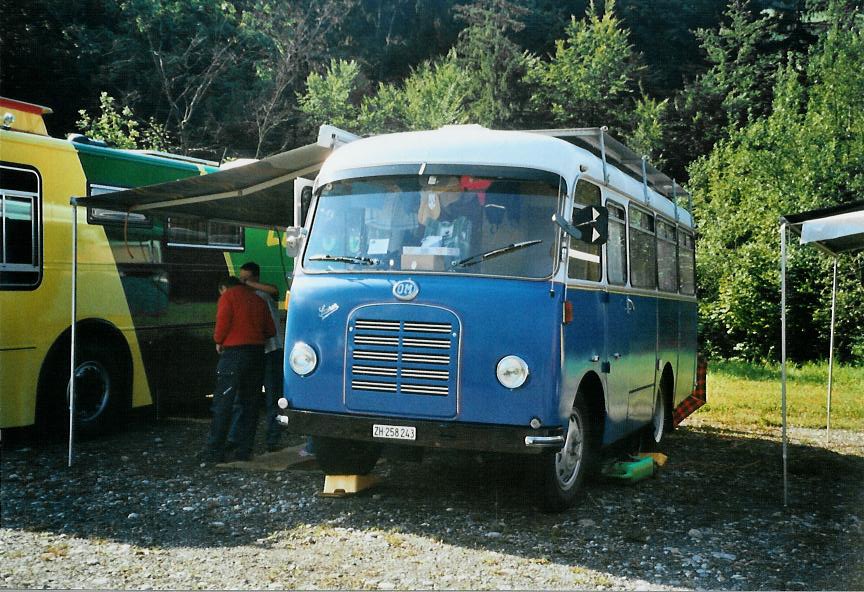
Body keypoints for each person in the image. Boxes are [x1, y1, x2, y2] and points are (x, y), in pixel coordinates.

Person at [201, 276, 275, 463]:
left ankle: (215, 450)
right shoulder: (259, 300)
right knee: (250, 404)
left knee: (223, 403)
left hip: (233, 355)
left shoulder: (227, 297)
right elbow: (270, 331)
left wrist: (219, 341)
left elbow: (222, 323)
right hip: (256, 354)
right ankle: (244, 450)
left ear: (224, 287)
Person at [237, 261, 285, 452]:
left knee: (273, 397)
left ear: (255, 278)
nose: (243, 282)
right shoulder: (246, 296)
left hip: (272, 350)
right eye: (241, 278)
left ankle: (273, 438)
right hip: (257, 350)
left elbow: (274, 290)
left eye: (246, 278)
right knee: (250, 396)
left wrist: (248, 285)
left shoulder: (264, 293)